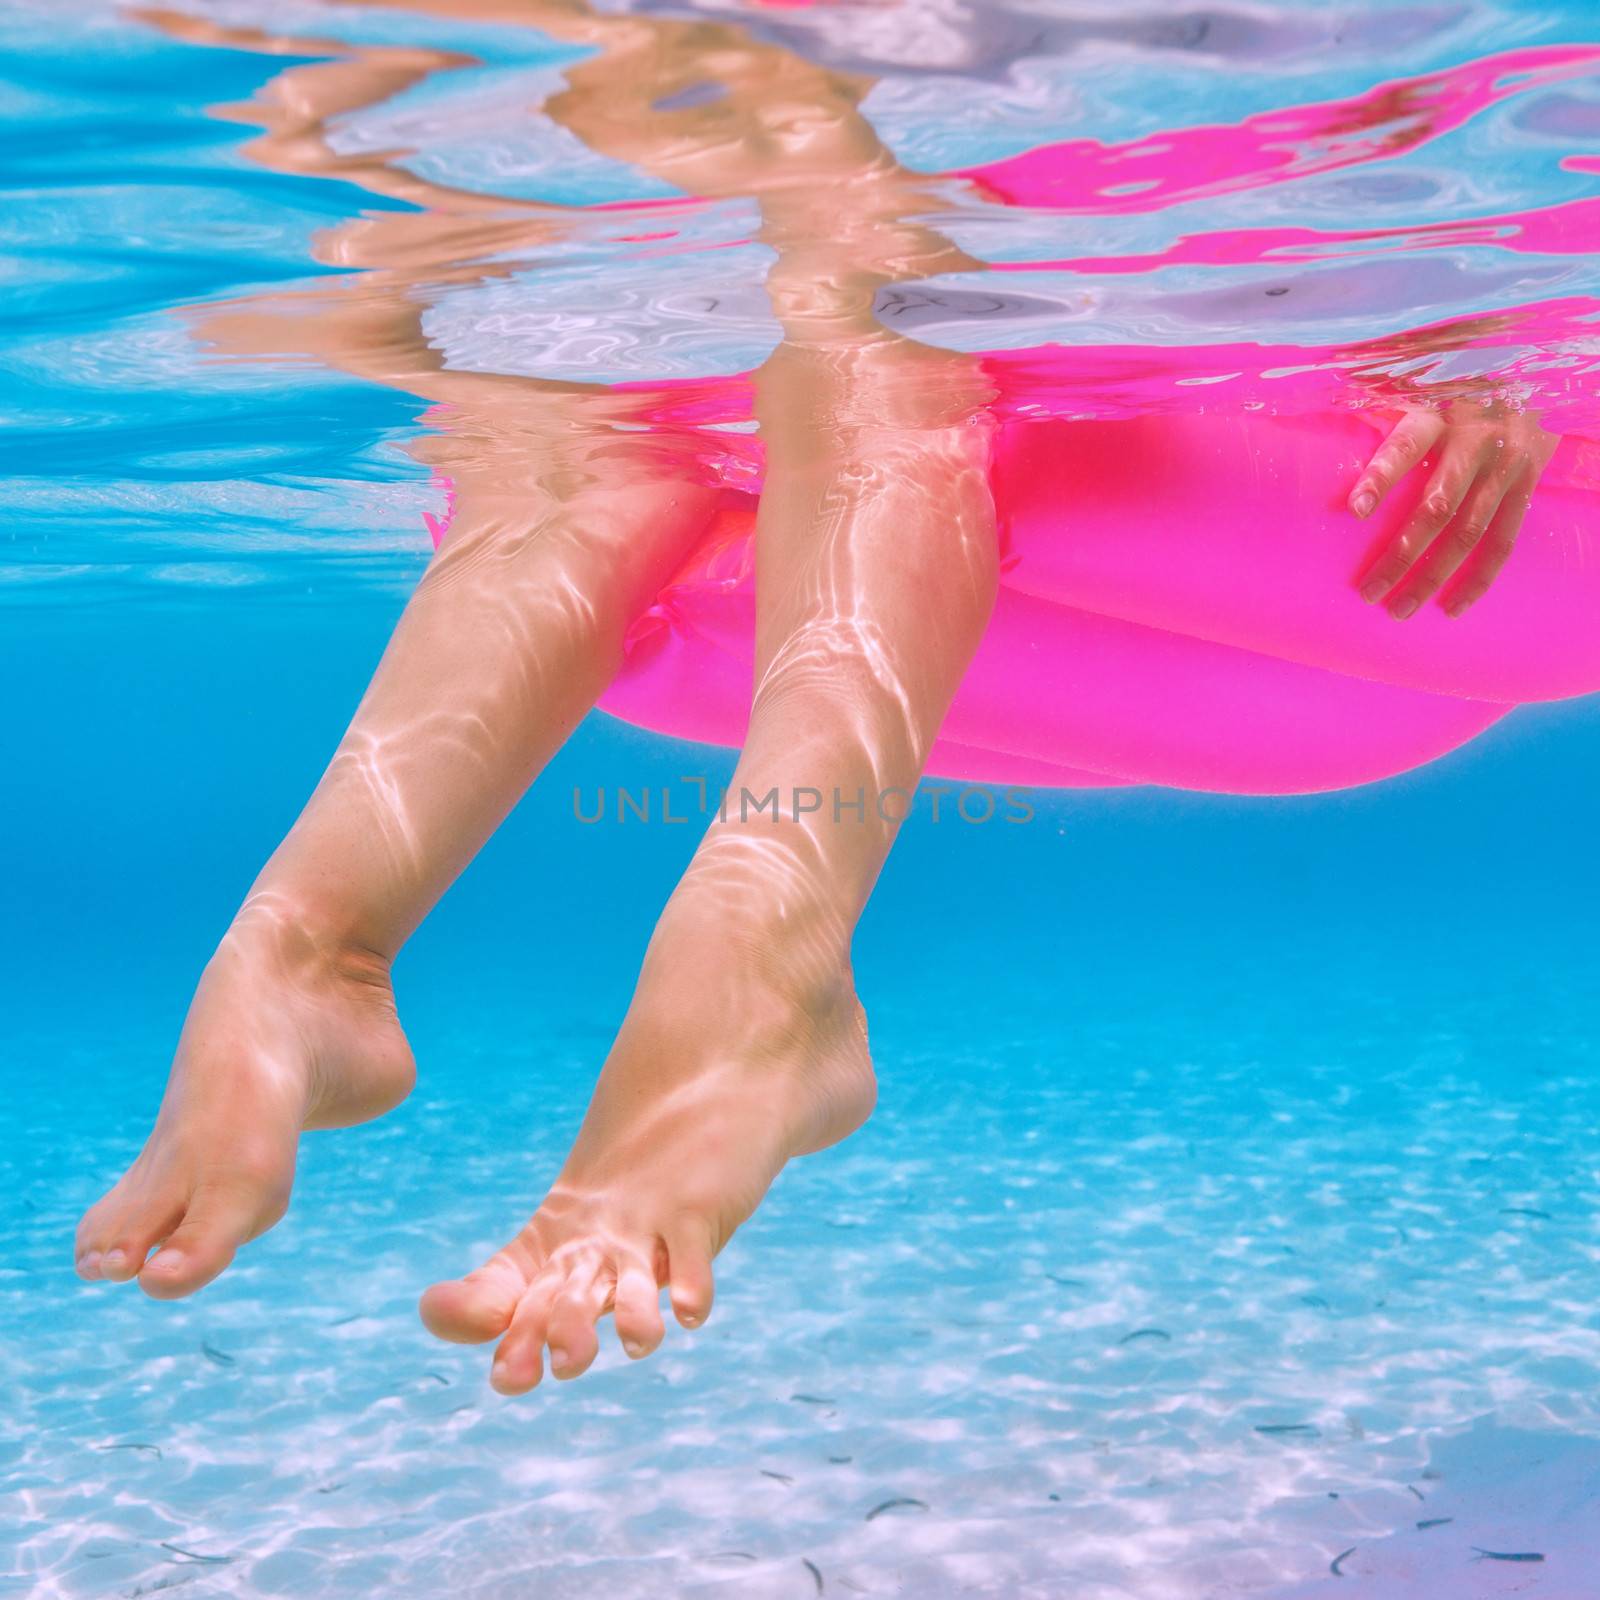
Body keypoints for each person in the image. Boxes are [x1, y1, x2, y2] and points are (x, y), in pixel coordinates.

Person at [77, 0, 1560, 1392]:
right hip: (1064, 562)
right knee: (679, 413)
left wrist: (1441, 322)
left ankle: (706, 955)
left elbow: (1440, 107)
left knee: (798, 298)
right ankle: (326, 945)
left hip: (1439, 568)